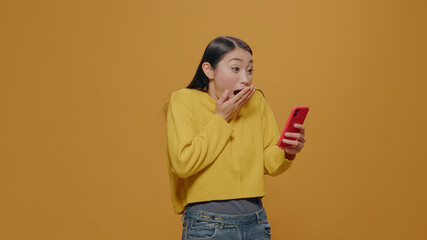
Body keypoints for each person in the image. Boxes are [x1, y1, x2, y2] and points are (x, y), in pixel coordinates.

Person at [166, 36, 306, 240]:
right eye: (235, 69)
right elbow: (183, 163)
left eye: (250, 70)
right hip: (207, 225)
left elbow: (269, 163)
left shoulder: (256, 101)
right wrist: (221, 118)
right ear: (209, 70)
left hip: (256, 223)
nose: (246, 78)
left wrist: (287, 151)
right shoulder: (183, 100)